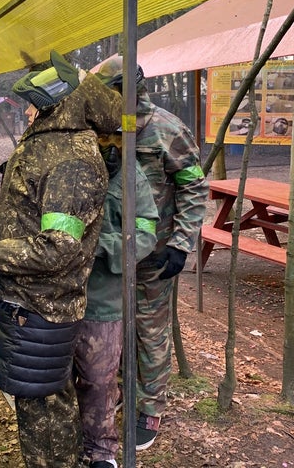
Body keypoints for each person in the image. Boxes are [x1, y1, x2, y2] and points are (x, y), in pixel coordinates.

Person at [0, 50, 122, 468]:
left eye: (34, 103)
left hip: (44, 308)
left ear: (61, 102)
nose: (26, 110)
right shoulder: (52, 146)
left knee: (46, 420)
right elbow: (34, 224)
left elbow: (58, 246)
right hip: (27, 304)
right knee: (37, 409)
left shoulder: (72, 159)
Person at [96, 57, 208, 451]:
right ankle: (126, 390)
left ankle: (150, 408)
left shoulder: (167, 129)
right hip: (113, 252)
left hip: (156, 255)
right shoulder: (106, 127)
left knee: (150, 332)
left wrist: (180, 245)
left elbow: (195, 188)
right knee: (114, 328)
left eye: (108, 90)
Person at [73, 131, 159, 468]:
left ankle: (100, 452)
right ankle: (67, 444)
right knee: (55, 381)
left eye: (115, 138)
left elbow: (145, 232)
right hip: (56, 295)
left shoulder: (130, 176)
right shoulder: (66, 167)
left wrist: (98, 245)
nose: (108, 144)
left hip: (103, 296)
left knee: (99, 380)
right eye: (100, 136)